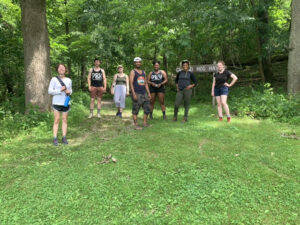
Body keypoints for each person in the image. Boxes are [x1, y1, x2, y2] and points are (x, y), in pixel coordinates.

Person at [48, 64, 72, 146]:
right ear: (57, 70)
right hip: (56, 102)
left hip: (66, 102)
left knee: (64, 119)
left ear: (65, 69)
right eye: (60, 68)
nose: (61, 69)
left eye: (63, 68)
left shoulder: (69, 80)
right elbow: (50, 91)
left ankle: (64, 137)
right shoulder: (54, 79)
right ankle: (55, 138)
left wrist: (70, 92)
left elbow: (70, 90)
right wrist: (59, 90)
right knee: (57, 119)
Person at [129, 57, 151, 129]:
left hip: (144, 92)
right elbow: (131, 83)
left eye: (139, 62)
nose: (138, 63)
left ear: (141, 63)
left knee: (147, 108)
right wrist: (134, 94)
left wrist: (149, 93)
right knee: (136, 109)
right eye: (136, 62)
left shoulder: (143, 72)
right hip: (137, 93)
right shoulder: (133, 72)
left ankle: (145, 123)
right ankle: (136, 125)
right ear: (134, 63)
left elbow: (145, 83)